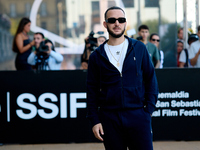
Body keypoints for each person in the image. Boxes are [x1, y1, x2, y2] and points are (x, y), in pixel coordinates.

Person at [87, 6, 158, 150]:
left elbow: (151, 79)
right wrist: (95, 120)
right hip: (110, 118)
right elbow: (91, 90)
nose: (117, 23)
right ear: (105, 24)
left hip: (138, 116)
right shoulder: (96, 56)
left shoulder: (139, 48)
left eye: (121, 20)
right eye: (112, 20)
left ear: (125, 23)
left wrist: (148, 110)